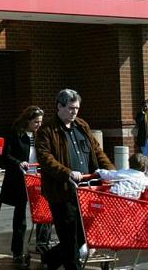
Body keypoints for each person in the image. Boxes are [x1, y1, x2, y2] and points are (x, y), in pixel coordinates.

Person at [36, 89, 114, 270]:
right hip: (62, 192)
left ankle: (50, 258)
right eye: (71, 108)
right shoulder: (48, 130)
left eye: (77, 108)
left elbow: (97, 151)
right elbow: (45, 158)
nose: (74, 112)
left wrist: (111, 172)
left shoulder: (82, 126)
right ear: (59, 107)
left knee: (81, 235)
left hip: (87, 190)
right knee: (69, 235)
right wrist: (67, 172)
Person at [0, 105, 50, 266]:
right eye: (36, 122)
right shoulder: (16, 133)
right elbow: (6, 156)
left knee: (44, 212)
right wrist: (19, 163)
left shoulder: (41, 135)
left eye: (40, 121)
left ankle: (42, 243)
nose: (39, 124)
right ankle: (17, 250)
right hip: (20, 179)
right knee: (20, 216)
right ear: (28, 120)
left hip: (38, 177)